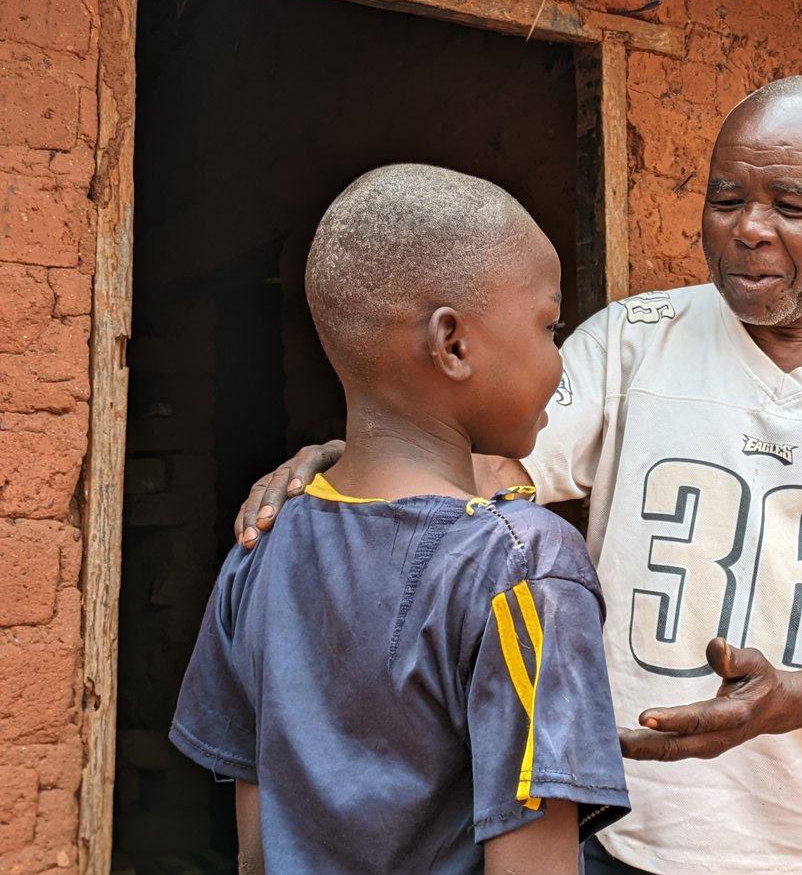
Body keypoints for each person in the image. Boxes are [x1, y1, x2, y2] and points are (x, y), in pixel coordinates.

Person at [237, 78, 802, 874]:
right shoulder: (633, 341)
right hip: (630, 834)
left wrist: (787, 699)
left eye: (789, 206)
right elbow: (488, 466)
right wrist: (359, 463)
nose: (750, 229)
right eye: (726, 199)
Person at [171, 164, 630, 873]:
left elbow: (257, 853)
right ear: (452, 343)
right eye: (549, 325)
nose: (561, 365)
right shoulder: (524, 566)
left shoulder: (259, 544)